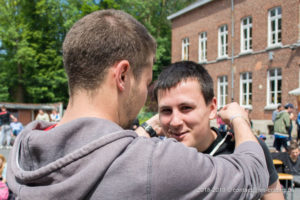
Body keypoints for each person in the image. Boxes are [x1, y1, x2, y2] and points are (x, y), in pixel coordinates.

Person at [7, 9, 269, 199]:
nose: (146, 94)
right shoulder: (150, 162)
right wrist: (239, 119)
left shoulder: (24, 151)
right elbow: (253, 173)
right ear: (123, 76)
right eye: (146, 83)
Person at [152, 61, 283, 199]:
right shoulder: (154, 156)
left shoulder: (246, 148)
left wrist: (238, 120)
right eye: (166, 110)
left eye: (186, 108)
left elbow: (273, 196)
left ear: (212, 108)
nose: (175, 122)